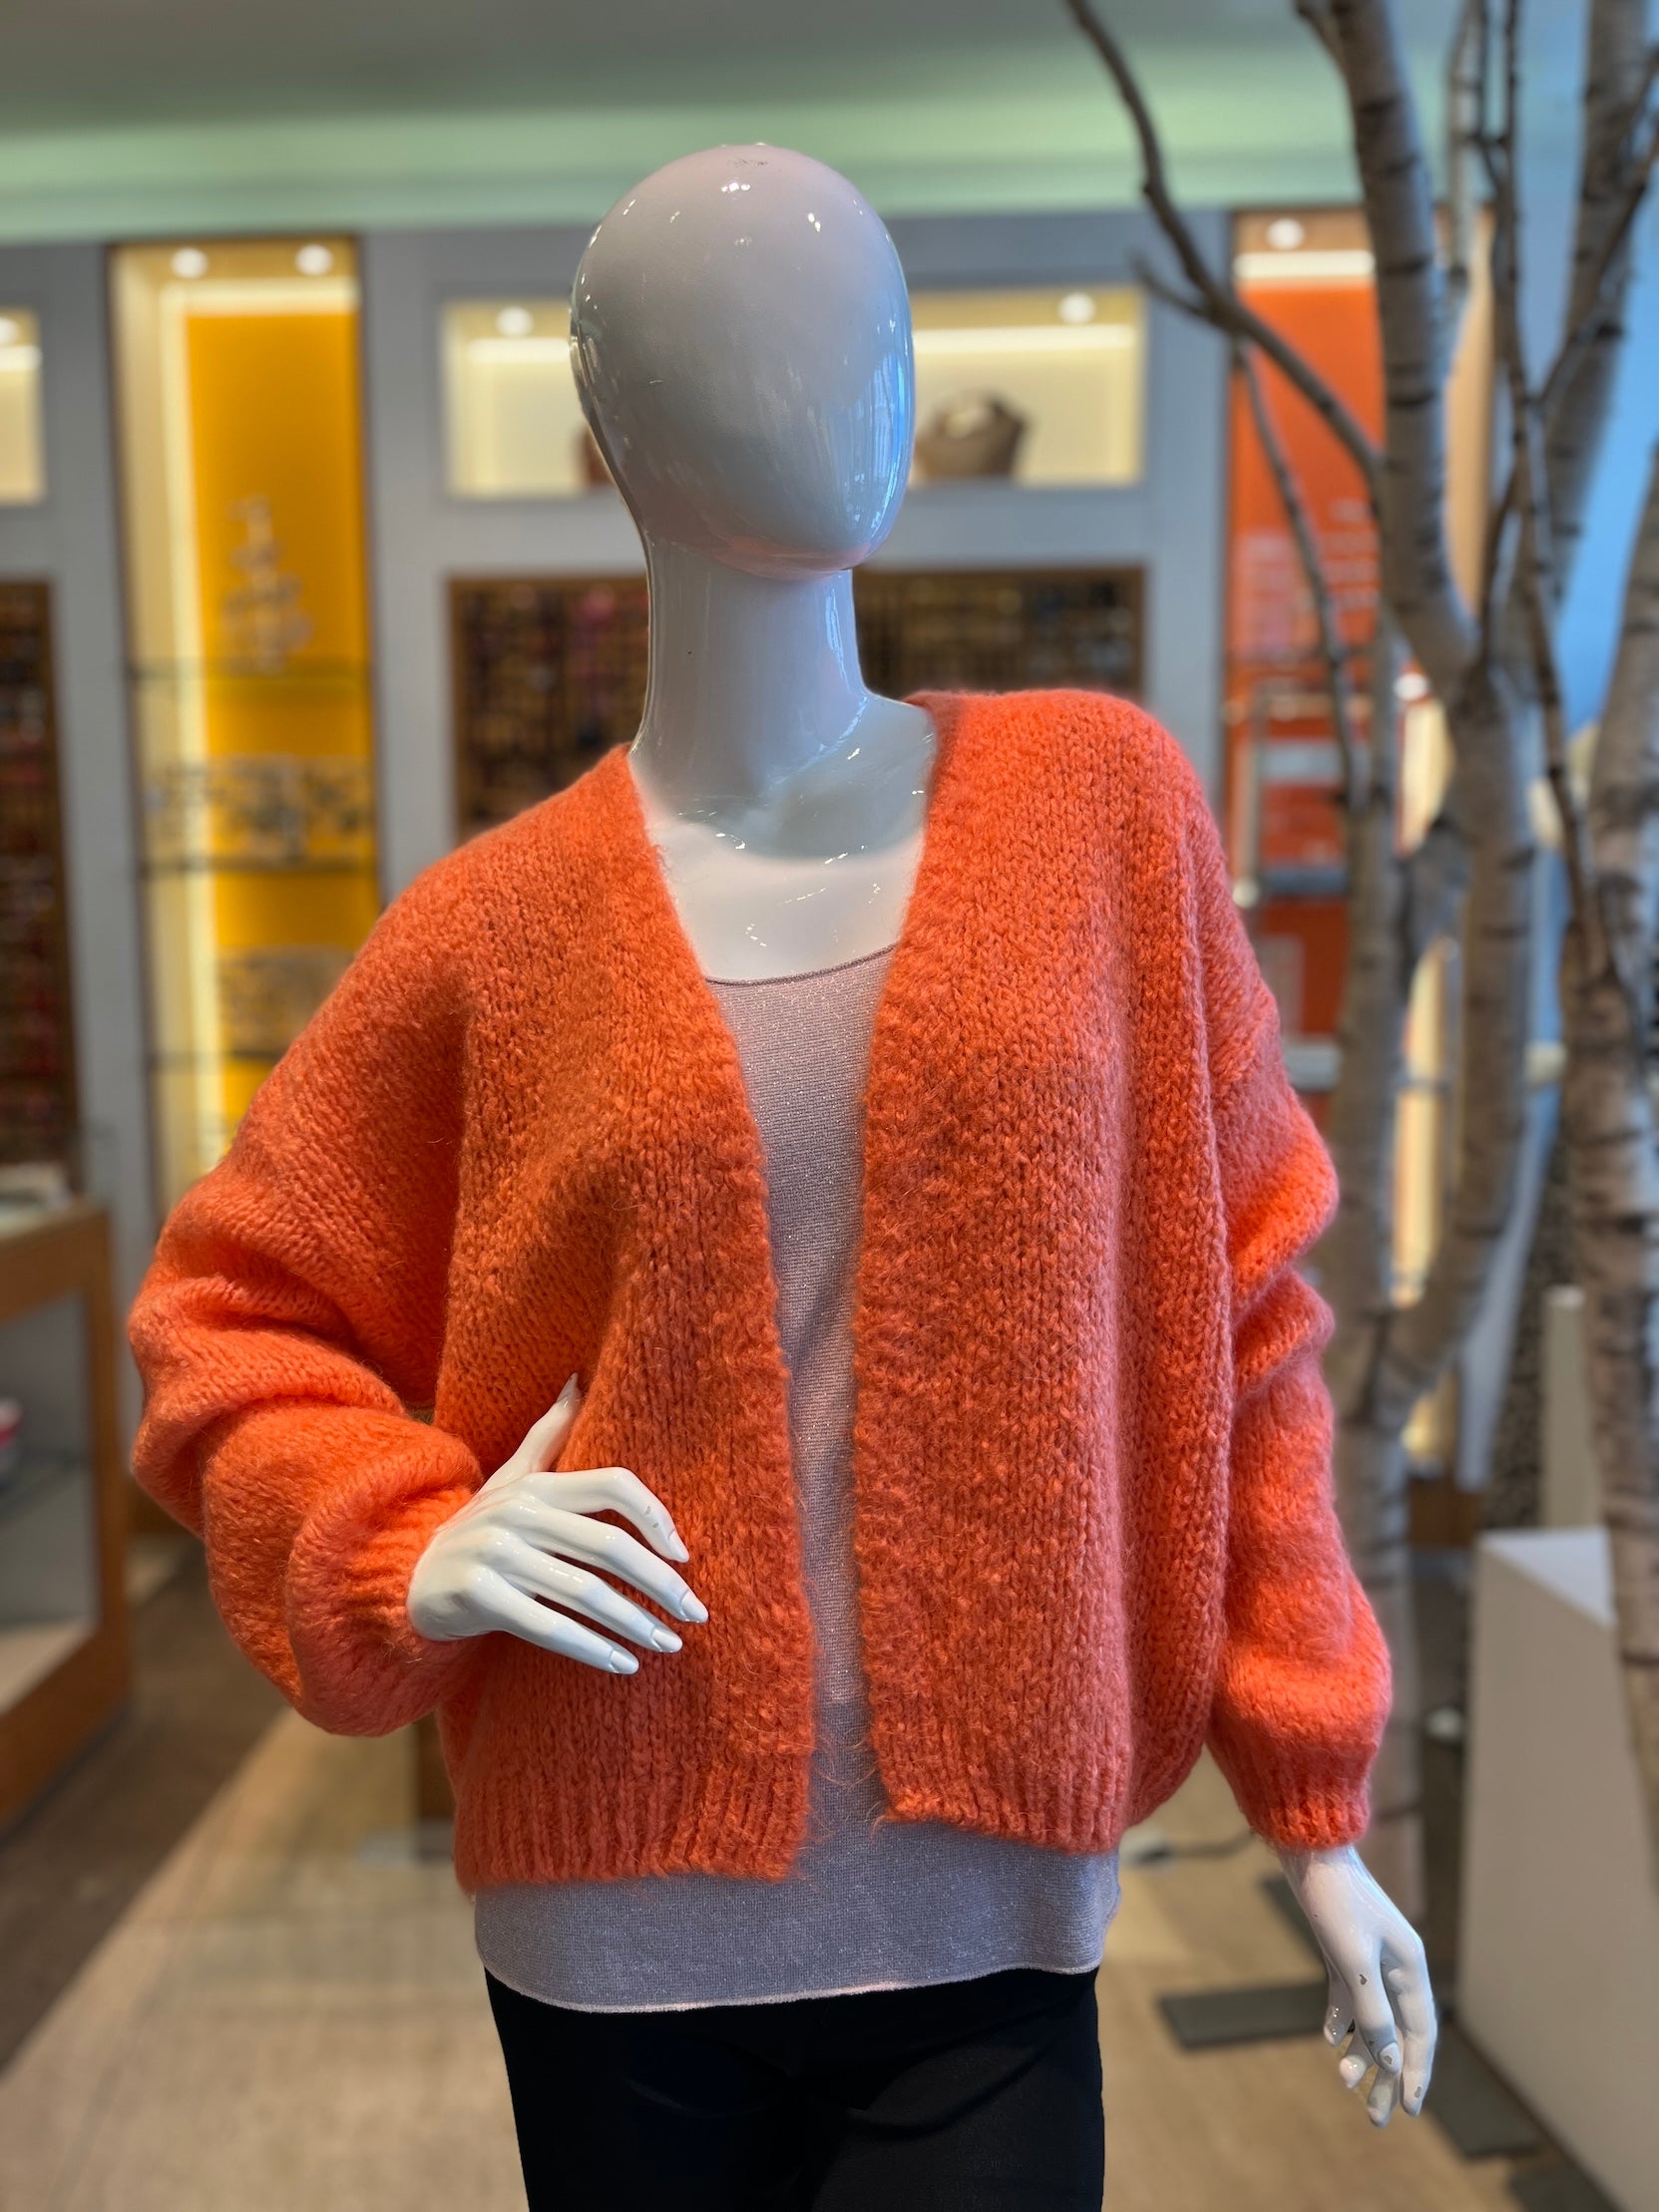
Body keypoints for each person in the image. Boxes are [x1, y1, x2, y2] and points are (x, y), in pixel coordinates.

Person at [129, 146, 1434, 2210]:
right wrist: (400, 1536)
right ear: (614, 427)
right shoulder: (492, 930)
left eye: (874, 332)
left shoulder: (1101, 812)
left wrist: (1314, 1792)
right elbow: (224, 1315)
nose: (852, 387)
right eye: (748, 343)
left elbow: (1243, 1311)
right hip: (611, 1903)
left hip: (991, 1899)